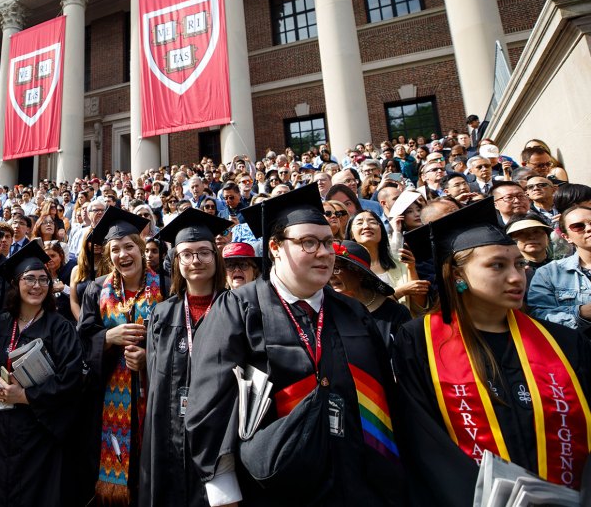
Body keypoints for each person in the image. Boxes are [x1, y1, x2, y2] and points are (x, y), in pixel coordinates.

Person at [186, 184, 403, 506]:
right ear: (275, 247)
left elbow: (385, 391)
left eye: (329, 242)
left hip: (357, 478)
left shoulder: (352, 311)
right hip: (274, 484)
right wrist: (224, 493)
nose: (324, 252)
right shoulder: (238, 308)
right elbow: (210, 403)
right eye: (309, 242)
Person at [392, 199, 591, 505]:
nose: (516, 277)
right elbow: (424, 440)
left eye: (519, 264)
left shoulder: (562, 342)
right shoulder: (419, 342)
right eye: (497, 265)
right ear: (457, 275)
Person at [0, 240, 84, 507]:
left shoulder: (60, 328)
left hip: (38, 430)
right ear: (15, 283)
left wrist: (25, 396)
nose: (37, 286)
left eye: (43, 280)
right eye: (29, 279)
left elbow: (72, 379)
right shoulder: (0, 323)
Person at [141, 209, 231, 507]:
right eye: (187, 254)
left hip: (220, 433)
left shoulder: (236, 308)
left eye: (204, 252)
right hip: (168, 429)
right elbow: (154, 380)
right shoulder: (162, 313)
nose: (196, 261)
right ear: (176, 262)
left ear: (216, 257)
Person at [78, 207, 163, 505]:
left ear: (141, 249)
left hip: (154, 393)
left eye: (129, 246)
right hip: (108, 397)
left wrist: (148, 358)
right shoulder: (96, 290)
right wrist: (107, 338)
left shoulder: (163, 285)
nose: (123, 254)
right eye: (115, 249)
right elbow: (82, 342)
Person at [348, 210, 429, 316]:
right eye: (359, 223)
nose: (366, 226)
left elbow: (419, 306)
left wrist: (411, 267)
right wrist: (401, 291)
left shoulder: (400, 261)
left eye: (372, 222)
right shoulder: (348, 269)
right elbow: (364, 307)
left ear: (381, 229)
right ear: (351, 234)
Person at [329, 241, 409, 347]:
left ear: (359, 272)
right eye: (327, 268)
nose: (331, 275)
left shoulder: (396, 313)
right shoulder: (328, 310)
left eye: (336, 269)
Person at [527, 205, 591, 332]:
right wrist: (581, 313)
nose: (589, 228)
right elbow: (539, 316)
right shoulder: (549, 273)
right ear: (567, 237)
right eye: (578, 226)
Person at [504, 213, 554, 289]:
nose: (531, 237)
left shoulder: (561, 267)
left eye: (536, 232)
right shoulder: (508, 272)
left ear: (548, 237)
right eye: (521, 233)